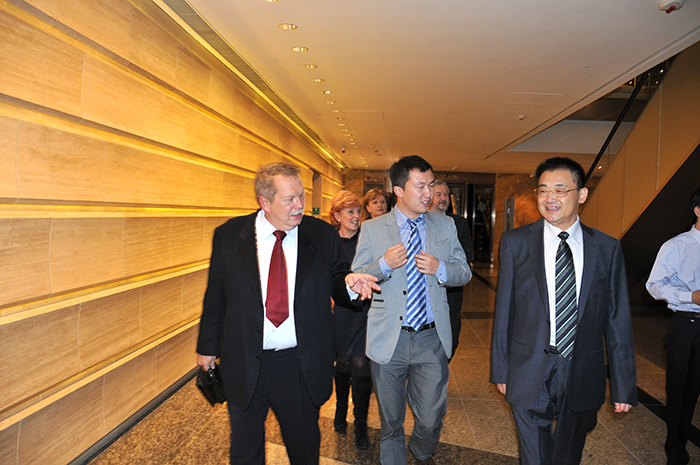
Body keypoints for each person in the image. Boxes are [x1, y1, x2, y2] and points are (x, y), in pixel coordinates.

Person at [196, 163, 378, 465]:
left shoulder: (320, 234)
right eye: (289, 199)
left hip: (299, 364)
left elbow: (337, 279)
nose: (299, 205)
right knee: (245, 452)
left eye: (301, 196)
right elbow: (216, 294)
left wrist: (349, 285)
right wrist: (207, 348)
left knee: (304, 449)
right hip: (245, 359)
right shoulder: (229, 236)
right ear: (265, 202)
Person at [490, 156, 637, 465]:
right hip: (528, 366)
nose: (550, 198)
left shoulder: (606, 248)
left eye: (560, 189)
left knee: (567, 456)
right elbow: (504, 310)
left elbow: (617, 320)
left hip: (581, 369)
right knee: (535, 457)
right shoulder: (516, 242)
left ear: (581, 195)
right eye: (543, 190)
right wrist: (501, 369)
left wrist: (623, 385)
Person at [352, 155, 471, 465]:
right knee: (391, 422)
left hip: (431, 339)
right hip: (389, 338)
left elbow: (464, 272)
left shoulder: (445, 224)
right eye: (420, 186)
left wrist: (440, 267)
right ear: (399, 190)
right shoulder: (372, 229)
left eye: (431, 185)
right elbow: (357, 275)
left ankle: (421, 451)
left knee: (431, 418)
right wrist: (383, 264)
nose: (428, 193)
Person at [646, 187, 700, 465]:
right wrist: (690, 296)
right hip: (687, 324)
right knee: (681, 388)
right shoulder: (676, 246)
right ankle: (676, 448)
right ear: (698, 211)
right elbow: (654, 285)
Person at [329, 190, 373, 450]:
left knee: (361, 365)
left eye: (358, 211)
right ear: (337, 215)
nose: (356, 216)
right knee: (342, 362)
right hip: (338, 314)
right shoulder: (328, 242)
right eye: (350, 212)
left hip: (362, 312)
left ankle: (361, 426)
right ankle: (340, 408)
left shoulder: (366, 240)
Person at [430, 180, 473, 359]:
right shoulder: (420, 221)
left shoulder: (459, 223)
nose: (443, 198)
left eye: (446, 194)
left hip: (452, 291)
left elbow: (466, 257)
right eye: (438, 194)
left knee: (452, 339)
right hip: (427, 291)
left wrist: (441, 267)